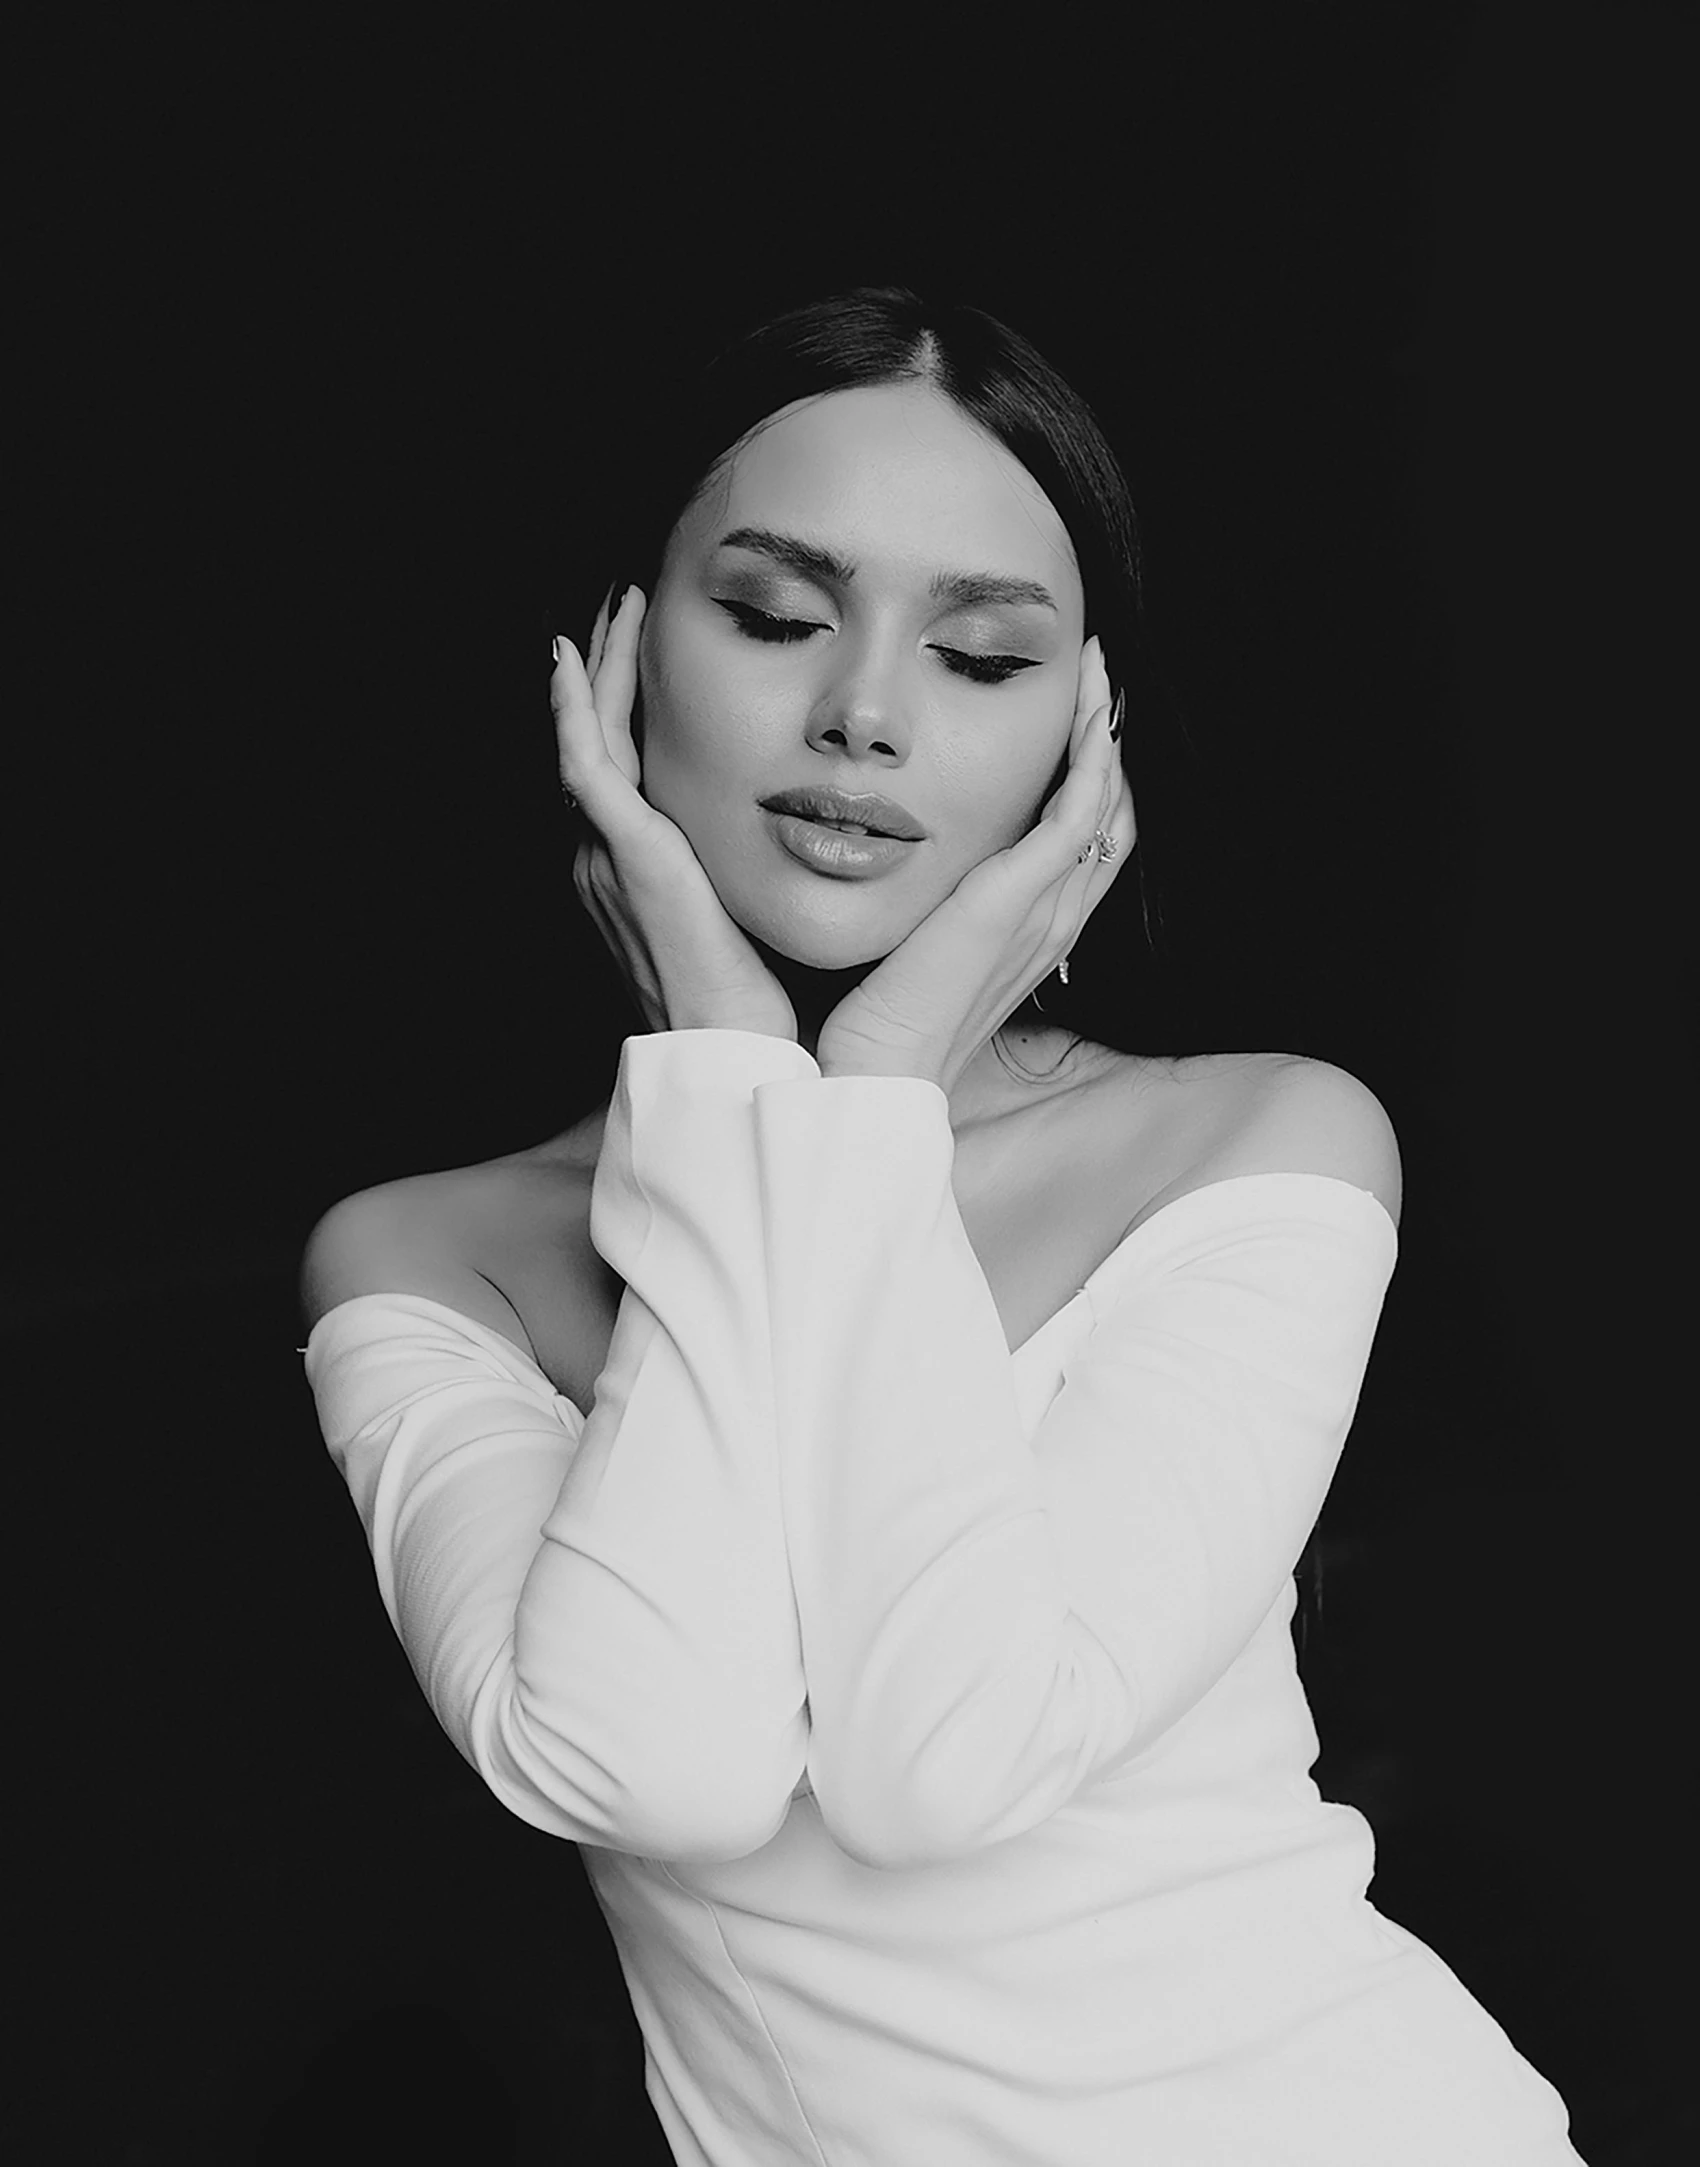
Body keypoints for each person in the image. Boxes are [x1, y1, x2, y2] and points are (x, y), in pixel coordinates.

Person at [300, 286, 1585, 2163]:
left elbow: (949, 1758)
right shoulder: (431, 1258)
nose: (864, 715)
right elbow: (644, 1752)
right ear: (617, 649)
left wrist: (880, 1078)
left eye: (982, 657)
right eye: (771, 616)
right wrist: (743, 1086)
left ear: (1092, 729)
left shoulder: (1262, 1144)